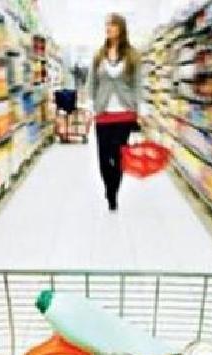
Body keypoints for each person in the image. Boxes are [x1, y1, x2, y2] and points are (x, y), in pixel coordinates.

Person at [87, 13, 141, 211]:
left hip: (124, 114)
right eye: (107, 25)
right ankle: (109, 187)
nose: (108, 28)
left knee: (118, 157)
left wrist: (140, 109)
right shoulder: (98, 55)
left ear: (121, 28)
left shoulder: (133, 56)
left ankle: (113, 193)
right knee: (103, 158)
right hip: (103, 114)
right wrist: (90, 107)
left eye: (112, 25)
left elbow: (138, 84)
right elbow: (91, 83)